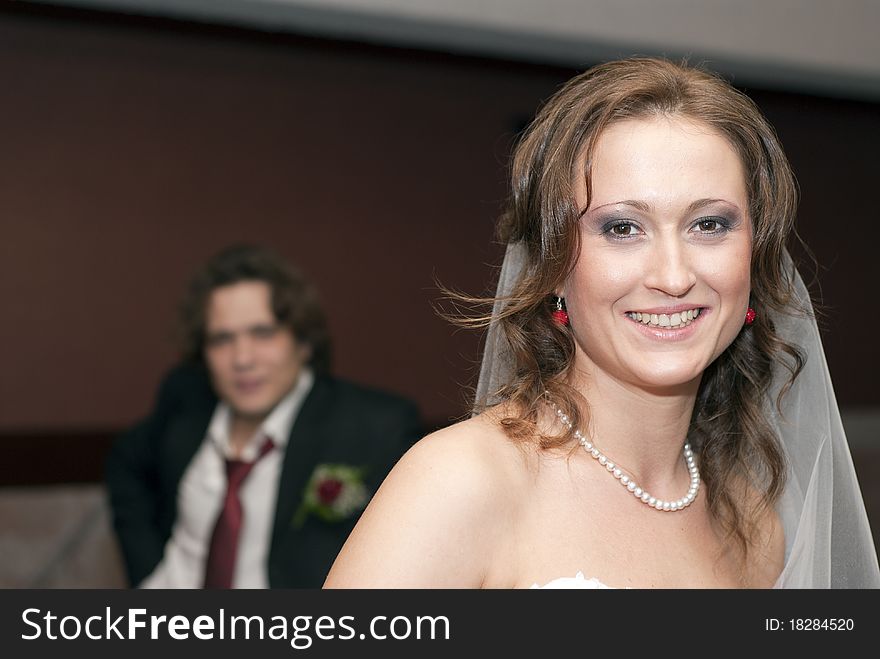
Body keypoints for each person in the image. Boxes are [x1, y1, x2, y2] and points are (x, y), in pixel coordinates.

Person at [325, 57, 880, 588]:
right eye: (621, 229)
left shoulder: (755, 522)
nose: (672, 274)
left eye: (709, 224)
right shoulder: (461, 483)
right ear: (554, 268)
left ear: (755, 257)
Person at [106, 244, 422, 588]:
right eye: (222, 339)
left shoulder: (373, 426)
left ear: (303, 342)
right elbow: (125, 461)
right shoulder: (187, 402)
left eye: (263, 333)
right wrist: (148, 575)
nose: (242, 358)